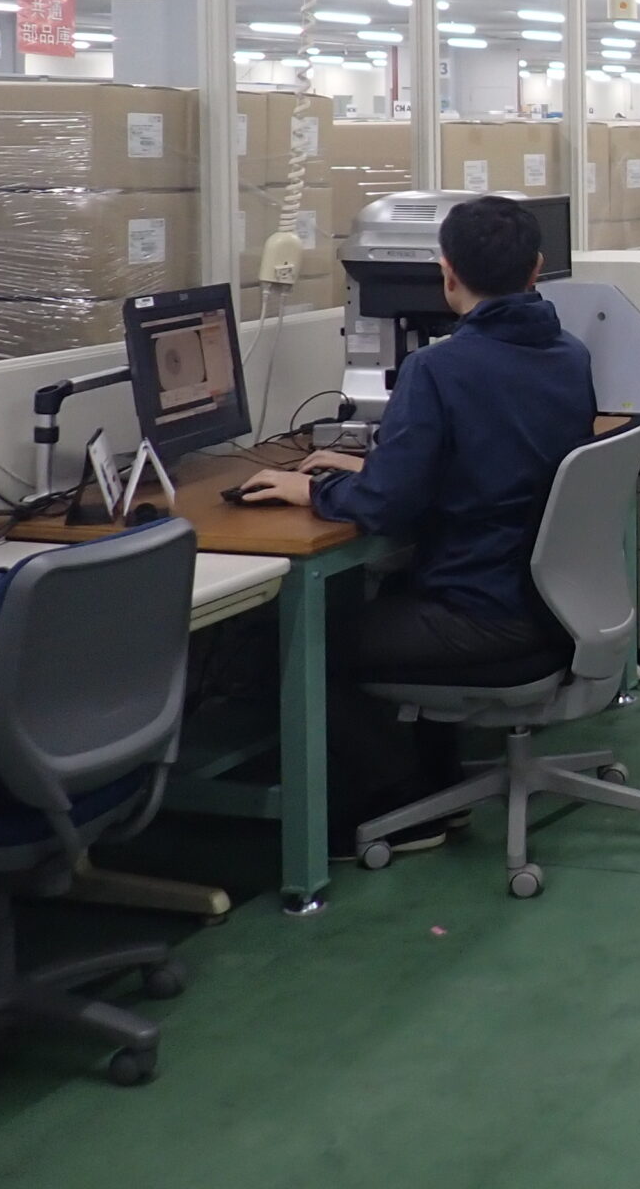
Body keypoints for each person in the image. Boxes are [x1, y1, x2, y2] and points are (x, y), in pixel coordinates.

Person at [240, 193, 597, 854]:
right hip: (554, 604)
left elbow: (384, 507)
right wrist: (372, 466)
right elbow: (494, 457)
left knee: (287, 642)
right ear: (536, 268)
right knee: (394, 597)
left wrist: (312, 487)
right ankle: (437, 786)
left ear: (446, 272)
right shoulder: (570, 355)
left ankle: (399, 801)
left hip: (481, 614)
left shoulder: (439, 367)